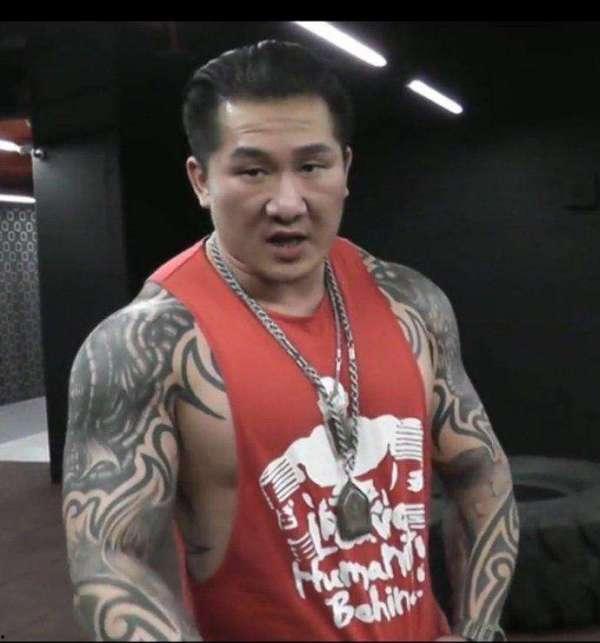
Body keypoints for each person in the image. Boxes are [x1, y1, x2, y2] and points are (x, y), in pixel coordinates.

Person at [62, 39, 519, 641]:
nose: (287, 203)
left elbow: (481, 474)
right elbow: (108, 562)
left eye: (311, 166)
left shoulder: (411, 304)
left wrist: (479, 630)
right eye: (253, 171)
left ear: (345, 169)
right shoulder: (146, 345)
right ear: (201, 180)